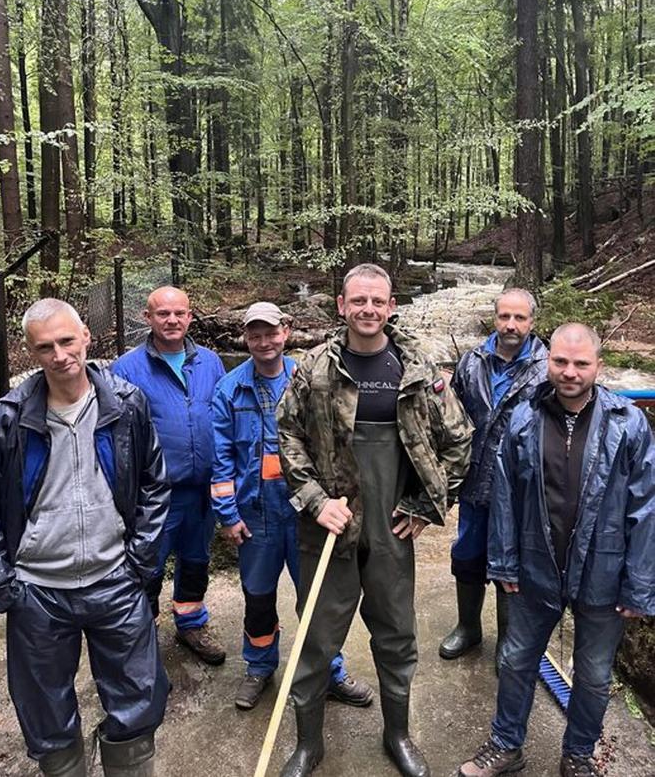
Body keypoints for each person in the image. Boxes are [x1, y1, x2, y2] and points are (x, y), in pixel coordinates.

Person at [276, 264, 474, 777]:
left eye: (378, 301)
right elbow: (287, 436)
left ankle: (398, 734)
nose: (368, 310)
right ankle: (307, 745)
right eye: (358, 301)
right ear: (342, 305)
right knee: (316, 640)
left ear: (390, 307)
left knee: (396, 635)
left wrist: (426, 506)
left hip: (391, 527)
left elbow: (459, 439)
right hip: (327, 528)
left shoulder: (417, 366)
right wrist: (317, 500)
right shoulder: (313, 367)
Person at [457, 323, 655, 777]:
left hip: (604, 570)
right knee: (515, 659)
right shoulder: (524, 419)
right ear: (547, 361)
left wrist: (640, 584)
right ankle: (506, 746)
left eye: (580, 363)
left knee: (593, 674)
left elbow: (646, 508)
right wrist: (503, 560)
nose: (569, 372)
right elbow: (504, 497)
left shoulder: (628, 423)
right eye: (560, 362)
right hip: (534, 566)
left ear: (597, 367)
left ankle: (578, 756)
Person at [0, 298, 170, 776]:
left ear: (87, 336)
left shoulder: (126, 404)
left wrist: (141, 563)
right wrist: (3, 580)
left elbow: (154, 483)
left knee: (137, 703)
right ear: (32, 352)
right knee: (45, 713)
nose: (59, 355)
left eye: (67, 341)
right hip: (37, 589)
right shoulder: (7, 419)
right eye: (45, 347)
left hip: (115, 579)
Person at [211, 301, 373, 710]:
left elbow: (338, 440)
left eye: (271, 332)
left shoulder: (311, 378)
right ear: (246, 339)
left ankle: (329, 670)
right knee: (259, 594)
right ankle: (260, 667)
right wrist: (228, 516)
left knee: (316, 598)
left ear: (286, 330)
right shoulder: (229, 390)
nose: (264, 341)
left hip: (308, 513)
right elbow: (221, 458)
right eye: (255, 334)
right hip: (256, 515)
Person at [112, 286, 226, 664]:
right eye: (163, 314)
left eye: (180, 313)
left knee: (196, 559)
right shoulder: (126, 369)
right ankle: (140, 637)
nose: (172, 320)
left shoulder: (210, 362)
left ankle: (191, 622)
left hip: (204, 490)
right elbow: (118, 438)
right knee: (148, 565)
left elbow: (223, 420)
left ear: (191, 317)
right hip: (155, 494)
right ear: (148, 318)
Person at [440, 289, 548, 668]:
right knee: (467, 554)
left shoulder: (546, 368)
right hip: (473, 482)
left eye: (519, 318)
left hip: (519, 489)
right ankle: (468, 627)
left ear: (532, 322)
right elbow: (449, 419)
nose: (511, 325)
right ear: (495, 318)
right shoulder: (471, 362)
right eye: (505, 317)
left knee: (511, 563)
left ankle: (509, 641)